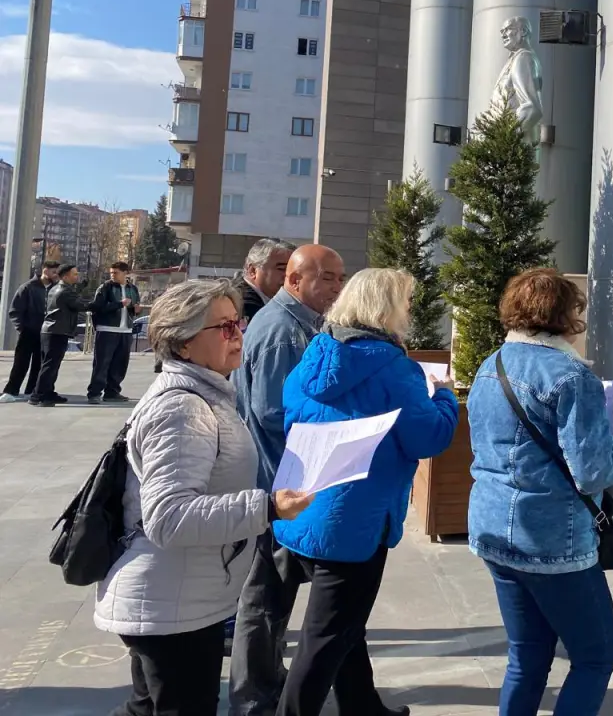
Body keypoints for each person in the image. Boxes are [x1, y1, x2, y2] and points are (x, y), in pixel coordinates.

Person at [94, 279, 312, 716]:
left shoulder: (206, 393)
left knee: (145, 706)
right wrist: (268, 507)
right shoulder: (184, 408)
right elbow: (169, 517)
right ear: (184, 344)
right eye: (225, 327)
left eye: (238, 323)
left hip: (182, 595)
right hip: (169, 603)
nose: (238, 335)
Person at [274, 268, 460, 716]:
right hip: (355, 523)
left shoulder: (316, 352)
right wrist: (445, 397)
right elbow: (429, 437)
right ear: (387, 308)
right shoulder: (396, 368)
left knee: (344, 626)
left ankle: (363, 707)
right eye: (406, 301)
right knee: (324, 639)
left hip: (304, 506)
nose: (410, 310)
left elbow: (289, 413)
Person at [468, 268, 613, 716]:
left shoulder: (490, 365)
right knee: (596, 655)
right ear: (563, 315)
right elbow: (593, 471)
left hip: (492, 527)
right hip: (551, 538)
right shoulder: (571, 376)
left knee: (527, 654)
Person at [228, 244, 345, 716]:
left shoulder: (298, 323)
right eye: (327, 278)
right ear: (294, 281)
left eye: (340, 278)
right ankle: (253, 697)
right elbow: (273, 411)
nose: (337, 287)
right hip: (275, 480)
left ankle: (267, 683)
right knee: (264, 596)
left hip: (283, 480)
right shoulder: (281, 330)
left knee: (274, 595)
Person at [2, 260, 60, 403]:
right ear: (45, 270)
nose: (56, 275)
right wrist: (22, 328)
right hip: (28, 332)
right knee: (21, 363)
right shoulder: (28, 287)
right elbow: (15, 311)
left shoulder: (56, 289)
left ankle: (32, 390)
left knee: (39, 364)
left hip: (46, 333)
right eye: (54, 272)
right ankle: (11, 391)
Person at [87, 261, 143, 405]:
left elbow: (133, 307)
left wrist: (136, 310)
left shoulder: (133, 289)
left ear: (126, 273)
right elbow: (98, 307)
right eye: (111, 272)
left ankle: (112, 392)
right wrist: (119, 304)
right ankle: (94, 393)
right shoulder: (105, 287)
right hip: (107, 329)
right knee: (102, 363)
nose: (112, 275)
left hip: (126, 330)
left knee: (120, 364)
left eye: (116, 273)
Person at [32, 263, 86, 407]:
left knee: (51, 365)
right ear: (66, 276)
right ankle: (39, 395)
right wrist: (110, 304)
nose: (77, 276)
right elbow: (81, 305)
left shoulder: (57, 288)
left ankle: (48, 392)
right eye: (74, 274)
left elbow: (73, 299)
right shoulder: (64, 291)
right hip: (56, 331)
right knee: (50, 365)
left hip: (52, 329)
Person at [233, 238, 296, 326]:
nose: (289, 276)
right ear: (253, 270)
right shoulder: (241, 304)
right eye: (282, 269)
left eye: (293, 270)